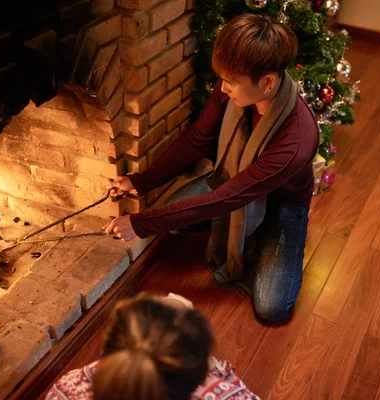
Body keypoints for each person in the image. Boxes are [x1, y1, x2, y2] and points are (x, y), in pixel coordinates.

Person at [105, 14, 319, 322]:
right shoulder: (232, 86)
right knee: (173, 217)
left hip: (282, 205)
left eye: (232, 83)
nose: (224, 88)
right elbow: (196, 140)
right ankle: (248, 235)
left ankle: (270, 239)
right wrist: (139, 181)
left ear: (268, 83)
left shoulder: (295, 139)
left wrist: (140, 224)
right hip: (233, 180)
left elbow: (227, 198)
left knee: (272, 308)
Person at [46, 293, 259, 400]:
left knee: (176, 306)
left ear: (105, 351)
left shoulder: (65, 390)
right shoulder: (233, 396)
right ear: (202, 376)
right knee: (179, 306)